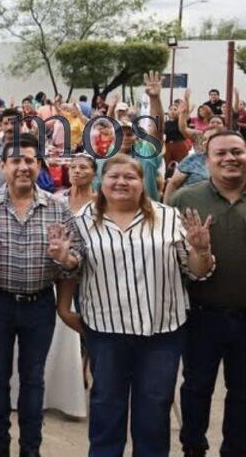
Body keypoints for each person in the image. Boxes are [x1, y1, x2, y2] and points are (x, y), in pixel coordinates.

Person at [55, 154, 214, 456]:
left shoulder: (168, 217)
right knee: (106, 411)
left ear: (144, 183)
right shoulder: (81, 221)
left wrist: (202, 251)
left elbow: (196, 270)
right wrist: (64, 261)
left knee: (154, 412)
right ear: (101, 182)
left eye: (130, 176)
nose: (121, 182)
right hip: (106, 332)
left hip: (162, 332)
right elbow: (72, 267)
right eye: (114, 176)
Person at [0, 133, 83, 457]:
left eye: (30, 161)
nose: (23, 167)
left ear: (39, 166)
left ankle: (30, 447)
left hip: (39, 303)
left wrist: (65, 257)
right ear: (3, 166)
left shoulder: (58, 208)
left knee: (33, 378)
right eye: (16, 161)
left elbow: (75, 261)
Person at [169, 130, 246, 457]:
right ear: (207, 160)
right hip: (201, 315)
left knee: (243, 393)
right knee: (196, 388)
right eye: (222, 154)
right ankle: (193, 448)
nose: (230, 158)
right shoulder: (186, 199)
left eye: (237, 152)